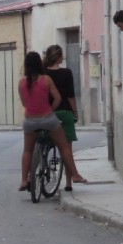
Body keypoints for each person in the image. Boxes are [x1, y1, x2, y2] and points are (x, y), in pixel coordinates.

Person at [18, 51, 87, 192]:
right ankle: (75, 175)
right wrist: (50, 109)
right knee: (64, 147)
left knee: (27, 150)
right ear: (39, 64)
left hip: (30, 120)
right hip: (47, 119)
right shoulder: (46, 80)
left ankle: (24, 180)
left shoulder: (21, 83)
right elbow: (58, 98)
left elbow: (25, 103)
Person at [43, 44, 80, 192]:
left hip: (47, 113)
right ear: (60, 57)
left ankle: (40, 169)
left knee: (43, 142)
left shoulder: (43, 73)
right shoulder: (66, 73)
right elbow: (70, 95)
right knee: (67, 148)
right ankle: (68, 183)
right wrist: (75, 111)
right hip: (64, 112)